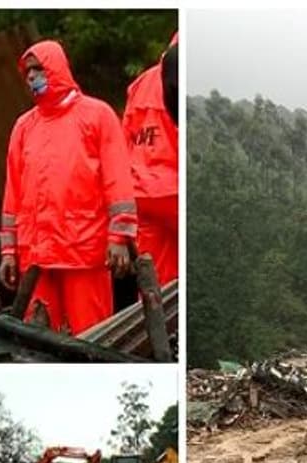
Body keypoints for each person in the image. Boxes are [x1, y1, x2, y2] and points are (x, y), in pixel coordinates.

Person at [0, 39, 138, 335]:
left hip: (83, 252)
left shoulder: (97, 115)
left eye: (39, 69)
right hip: (35, 255)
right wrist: (9, 250)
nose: (32, 76)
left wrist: (120, 237)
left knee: (93, 339)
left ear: (57, 68)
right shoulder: (23, 127)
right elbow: (13, 194)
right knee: (37, 345)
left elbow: (118, 180)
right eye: (28, 71)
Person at [122, 32, 180, 287]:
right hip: (175, 191)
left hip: (142, 197)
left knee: (157, 283)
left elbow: (125, 140)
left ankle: (162, 327)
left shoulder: (140, 84)